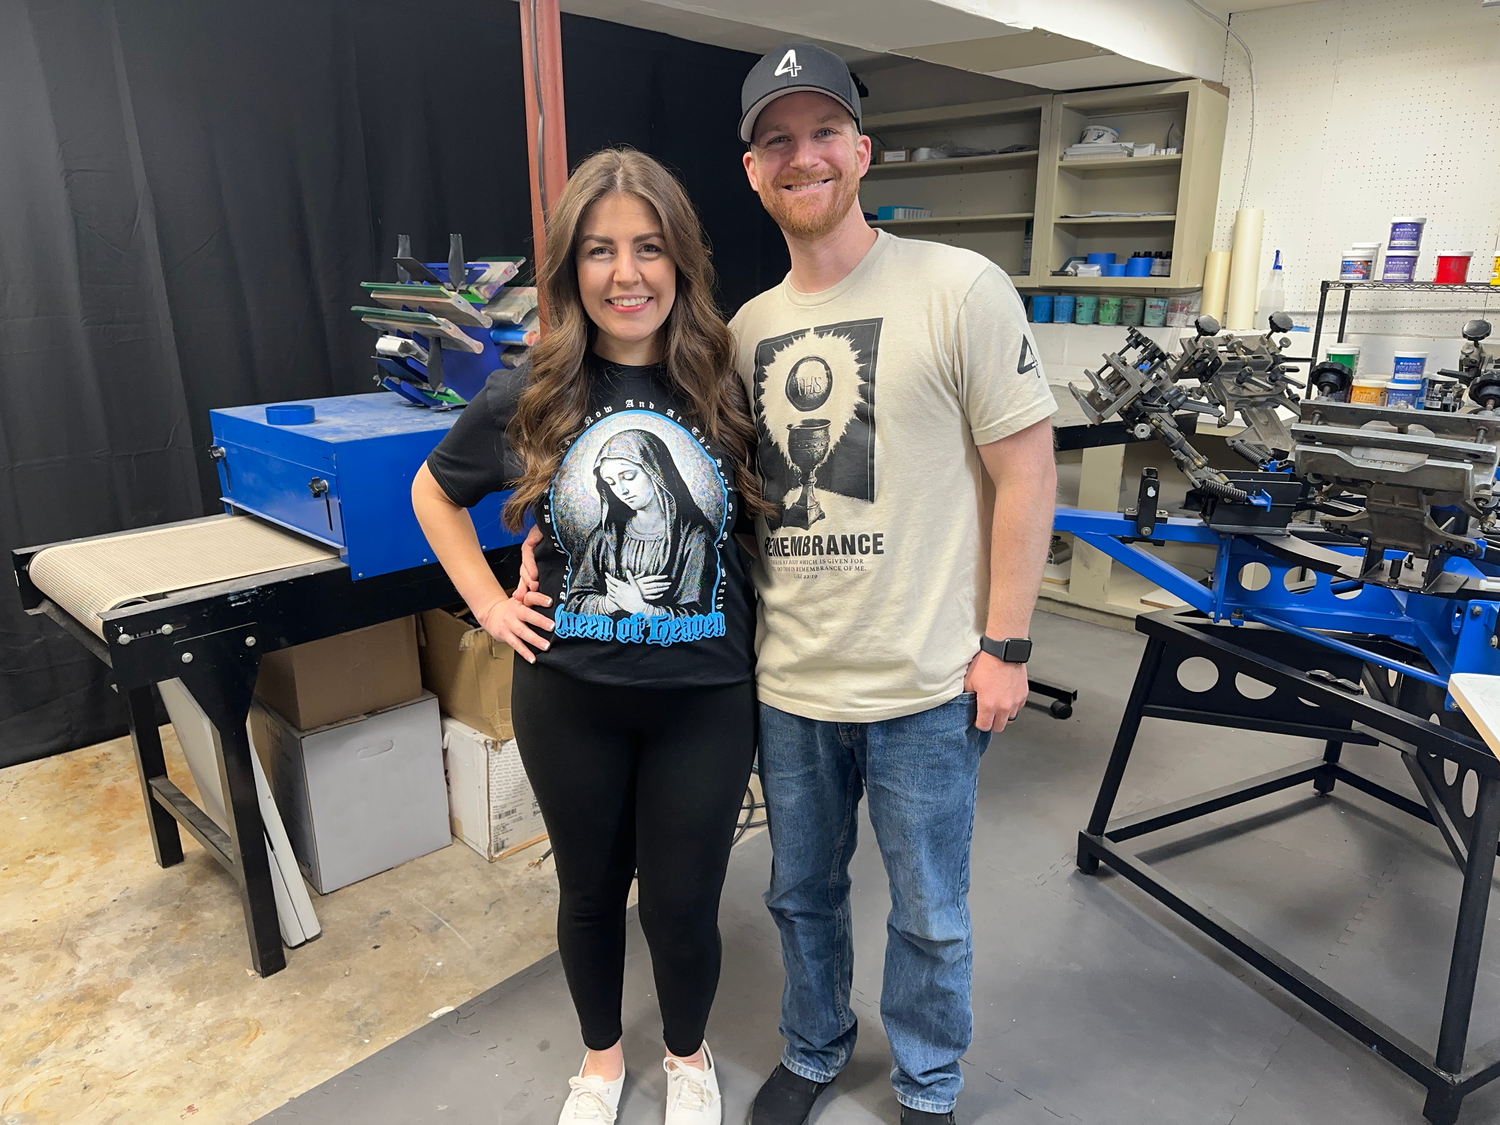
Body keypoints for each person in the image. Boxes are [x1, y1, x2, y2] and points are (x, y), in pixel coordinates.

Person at [731, 43, 1058, 1125]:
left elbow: (1025, 472)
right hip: (793, 685)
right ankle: (814, 1049)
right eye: (777, 139)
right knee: (799, 895)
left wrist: (1005, 645)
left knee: (930, 910)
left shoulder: (960, 286)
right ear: (753, 172)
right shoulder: (744, 333)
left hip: (925, 683)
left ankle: (927, 1081)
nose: (803, 155)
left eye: (824, 133)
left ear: (862, 153)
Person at [412, 147, 766, 1125]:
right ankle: (602, 1062)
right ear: (572, 268)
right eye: (601, 250)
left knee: (685, 901)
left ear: (681, 261)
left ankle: (687, 1058)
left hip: (705, 699)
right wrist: (489, 601)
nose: (626, 272)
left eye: (649, 247)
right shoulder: (528, 394)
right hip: (571, 699)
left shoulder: (730, 386)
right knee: (588, 892)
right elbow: (433, 494)